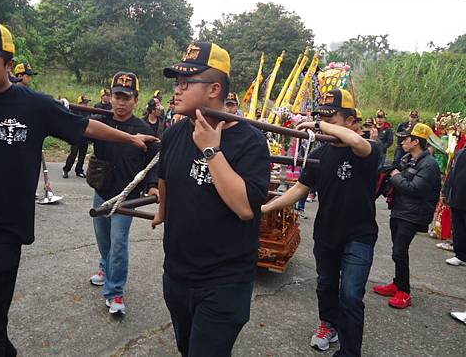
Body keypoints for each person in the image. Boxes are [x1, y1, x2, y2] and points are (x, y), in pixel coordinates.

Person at [0, 23, 157, 357]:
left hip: (5, 228)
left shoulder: (33, 104)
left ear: (8, 64)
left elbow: (85, 125)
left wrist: (130, 137)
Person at [152, 42, 271, 357]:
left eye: (186, 83)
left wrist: (211, 150)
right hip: (176, 274)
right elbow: (165, 177)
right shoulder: (175, 134)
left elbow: (246, 208)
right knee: (185, 348)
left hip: (224, 282)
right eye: (176, 83)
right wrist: (162, 210)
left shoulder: (251, 143)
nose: (176, 90)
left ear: (214, 88)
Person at [262, 88, 379, 357]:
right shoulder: (320, 155)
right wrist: (266, 207)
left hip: (359, 236)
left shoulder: (369, 149)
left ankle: (350, 352)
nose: (325, 128)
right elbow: (299, 189)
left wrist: (317, 123)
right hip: (326, 233)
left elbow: (358, 143)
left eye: (332, 120)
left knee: (350, 295)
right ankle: (329, 324)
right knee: (326, 284)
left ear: (351, 122)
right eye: (322, 119)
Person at [88, 71, 159, 315]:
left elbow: (153, 163)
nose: (120, 102)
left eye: (126, 97)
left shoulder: (143, 129)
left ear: (136, 100)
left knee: (118, 243)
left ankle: (115, 292)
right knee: (104, 240)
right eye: (117, 96)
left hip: (127, 199)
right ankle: (105, 267)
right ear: (111, 97)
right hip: (101, 192)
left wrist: (152, 186)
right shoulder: (101, 122)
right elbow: (77, 129)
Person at [373, 123, 441, 309]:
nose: (402, 142)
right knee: (398, 250)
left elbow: (416, 189)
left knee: (399, 252)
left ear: (416, 141)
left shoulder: (429, 164)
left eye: (406, 139)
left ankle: (404, 292)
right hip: (400, 210)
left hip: (413, 215)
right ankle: (397, 283)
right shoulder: (407, 158)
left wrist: (396, 177)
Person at [442, 147, 466, 266]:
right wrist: (446, 191)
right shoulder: (461, 152)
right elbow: (452, 173)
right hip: (457, 196)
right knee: (458, 227)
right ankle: (460, 255)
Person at [62, 95, 91, 178]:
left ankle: (79, 171)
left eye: (86, 102)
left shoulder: (88, 111)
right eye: (84, 102)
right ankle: (66, 170)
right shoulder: (74, 110)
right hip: (76, 136)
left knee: (82, 155)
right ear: (80, 103)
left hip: (85, 136)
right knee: (73, 154)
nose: (86, 104)